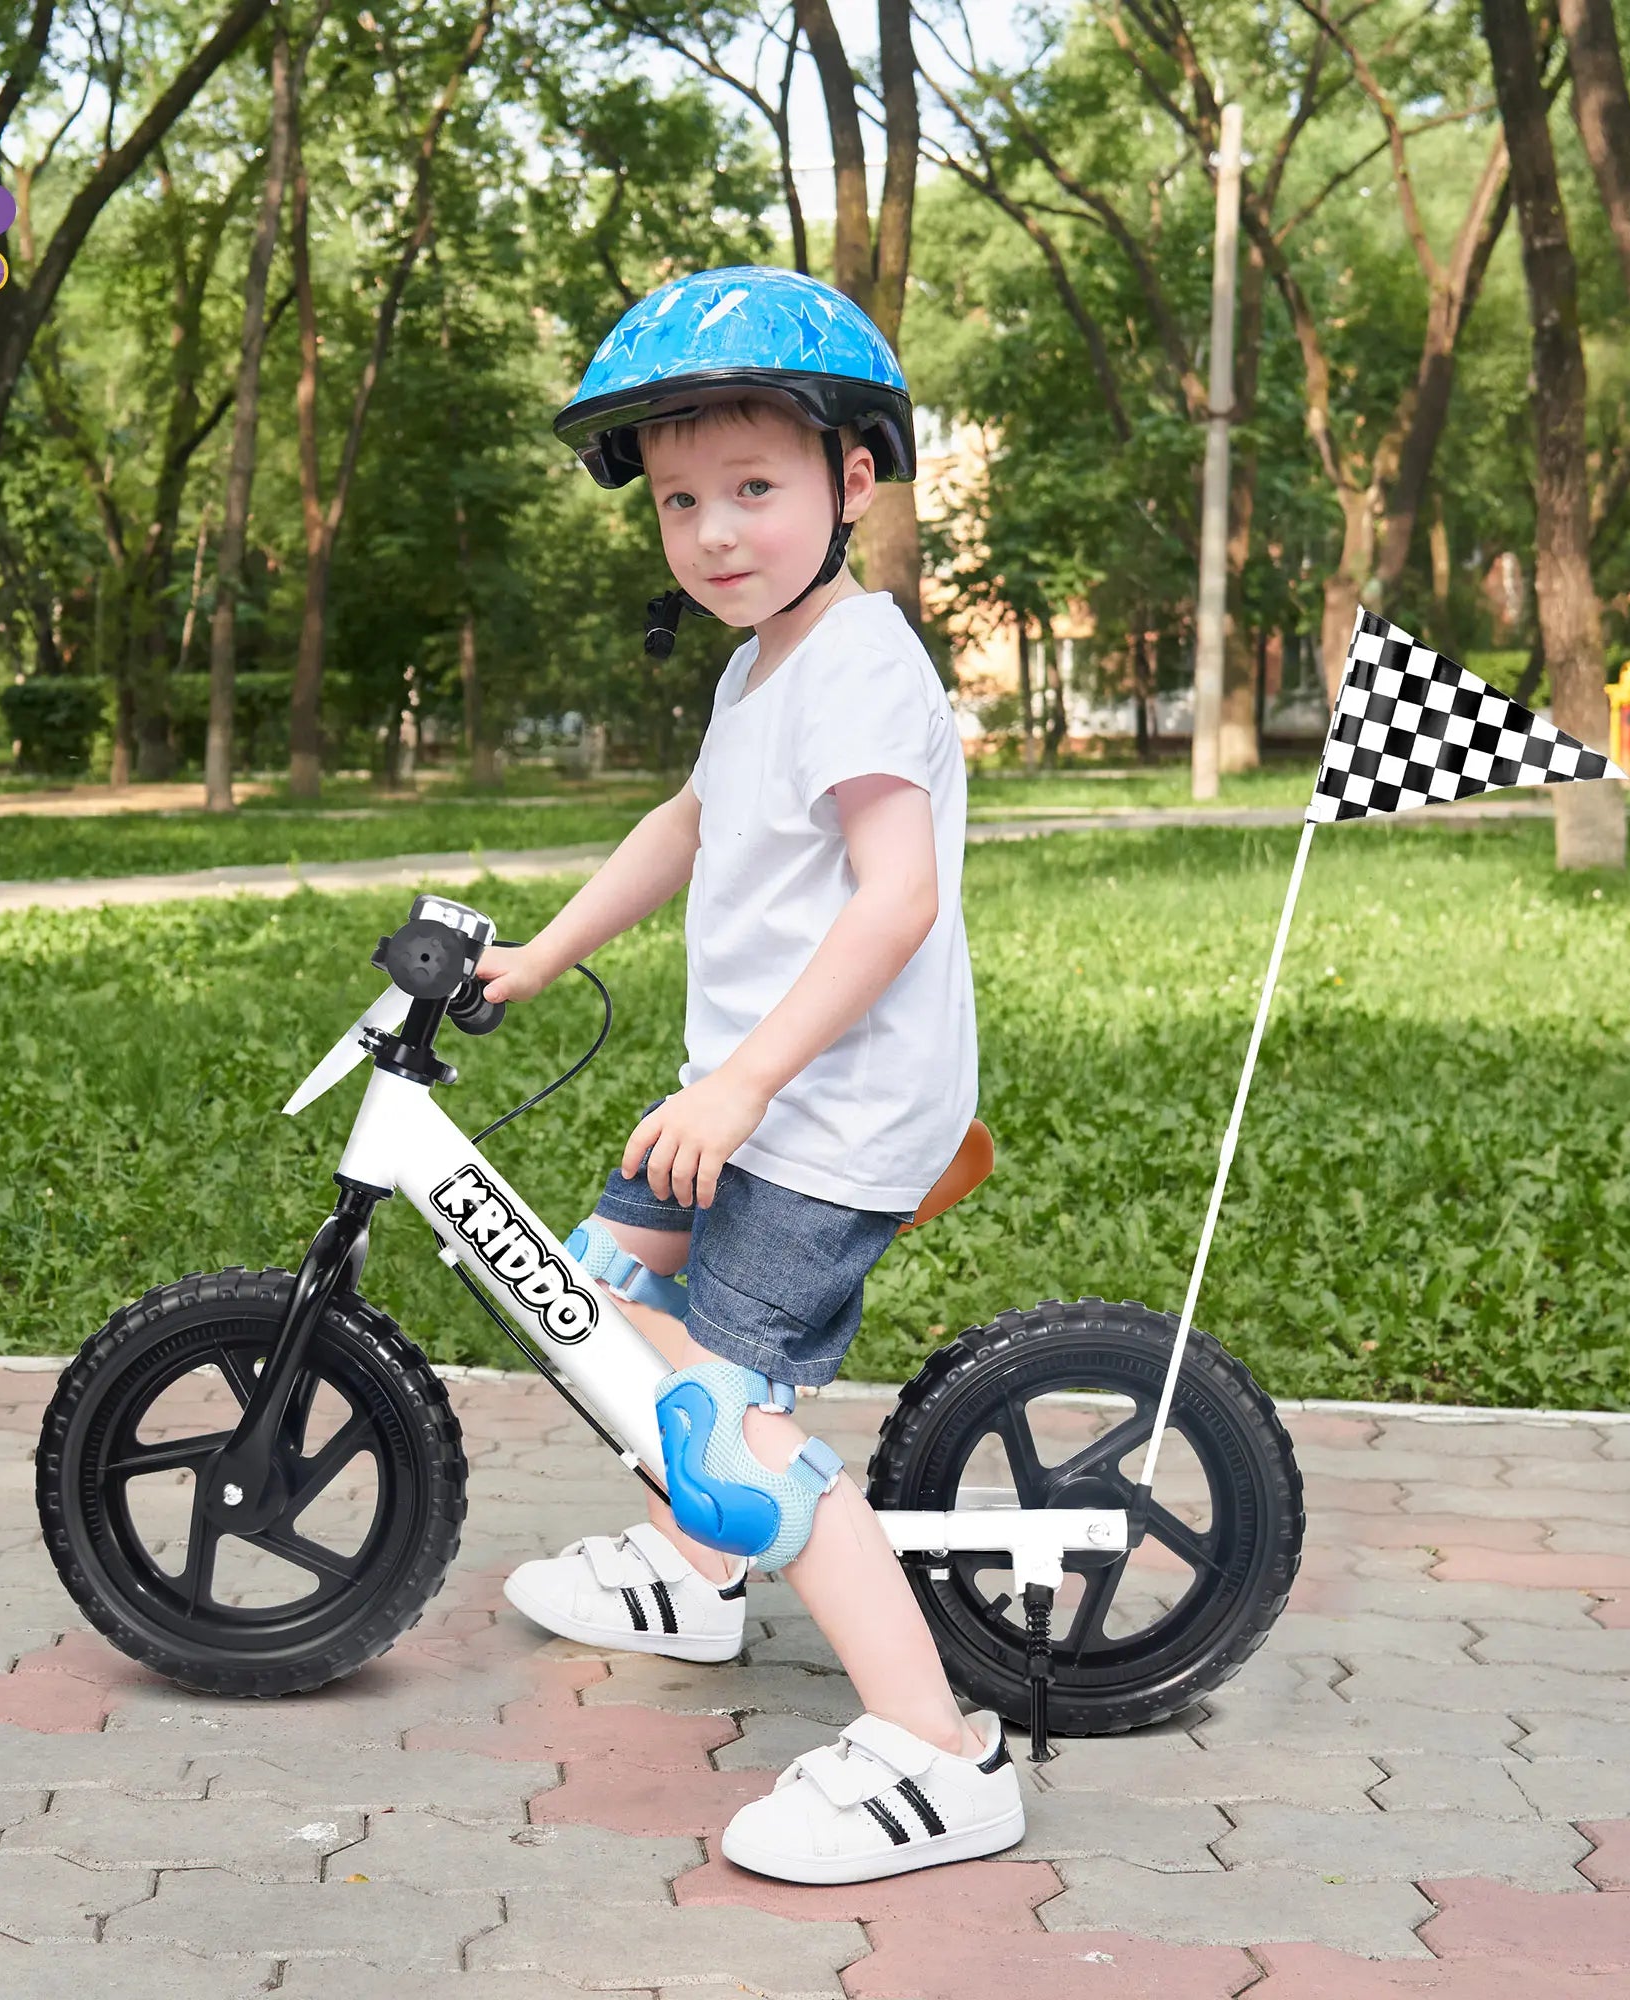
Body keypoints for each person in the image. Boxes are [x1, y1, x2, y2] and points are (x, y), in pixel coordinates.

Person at [470, 265, 1022, 1885]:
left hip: (825, 1116)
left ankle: (940, 1747)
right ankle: (693, 1571)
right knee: (595, 1305)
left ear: (855, 479)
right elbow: (688, 829)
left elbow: (897, 899)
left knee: (720, 1414)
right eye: (681, 501)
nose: (715, 533)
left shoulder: (859, 662)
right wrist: (540, 958)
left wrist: (745, 1089)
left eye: (756, 490)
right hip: (746, 1094)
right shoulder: (760, 666)